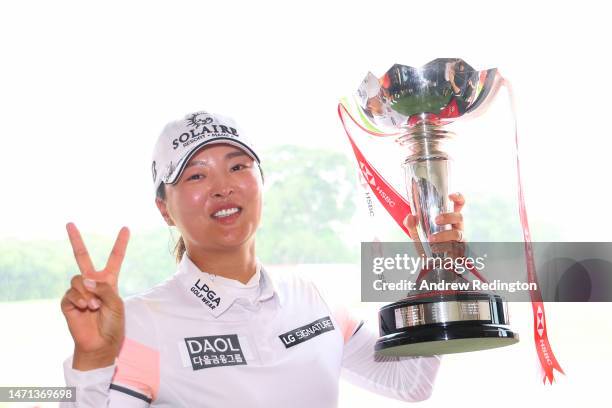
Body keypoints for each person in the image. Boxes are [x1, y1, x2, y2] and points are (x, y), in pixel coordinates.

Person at [60, 110, 466, 407]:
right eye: (196, 175)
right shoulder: (141, 322)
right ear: (164, 208)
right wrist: (93, 360)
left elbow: (409, 381)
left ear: (260, 182)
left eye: (238, 166)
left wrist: (435, 278)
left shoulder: (312, 297)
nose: (223, 187)